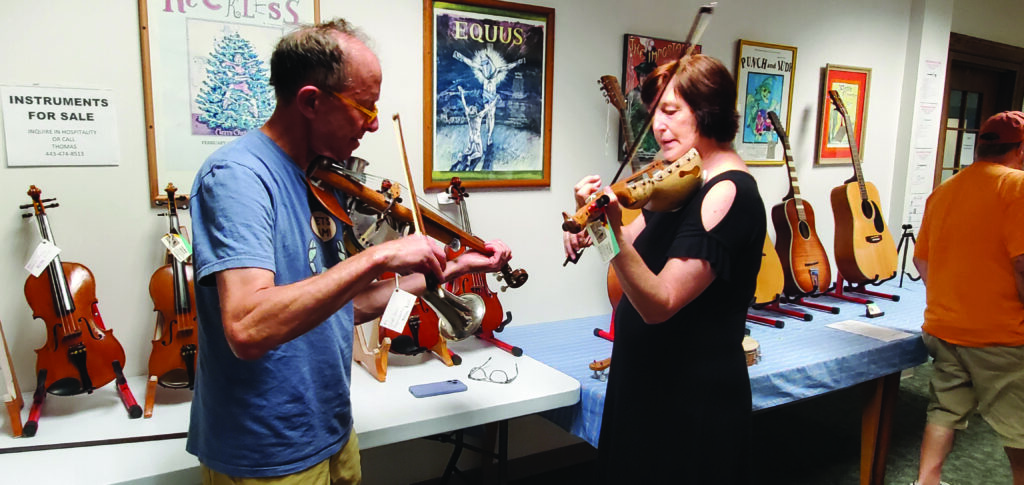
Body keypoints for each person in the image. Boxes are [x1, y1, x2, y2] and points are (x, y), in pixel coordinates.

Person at [187, 19, 512, 484]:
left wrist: (454, 266)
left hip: (331, 431)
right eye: (364, 106)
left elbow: (348, 306)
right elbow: (247, 326)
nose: (375, 122)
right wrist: (378, 257)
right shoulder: (239, 176)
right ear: (310, 101)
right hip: (268, 452)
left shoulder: (320, 182)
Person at [563, 54, 765, 483]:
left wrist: (608, 233)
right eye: (654, 113)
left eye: (670, 111)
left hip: (688, 401)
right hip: (647, 384)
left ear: (707, 113)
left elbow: (660, 303)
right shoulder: (681, 181)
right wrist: (594, 228)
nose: (657, 125)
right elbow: (628, 247)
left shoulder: (727, 193)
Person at [912, 110, 1024, 485]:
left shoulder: (943, 191)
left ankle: (926, 481)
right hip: (1002, 336)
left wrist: (951, 301)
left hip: (944, 329)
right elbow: (1023, 264)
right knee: (1020, 429)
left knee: (944, 411)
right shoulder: (1017, 187)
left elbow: (922, 260)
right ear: (1020, 150)